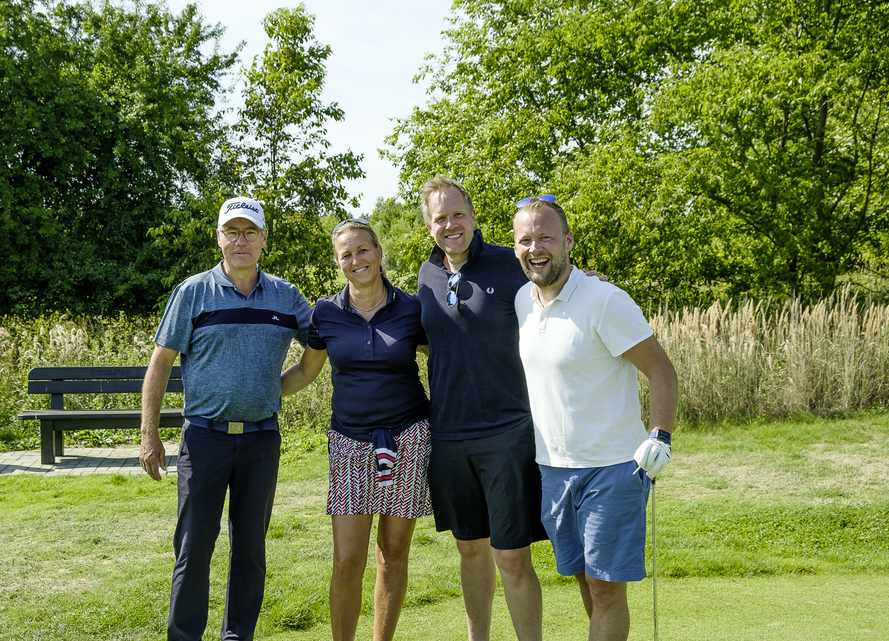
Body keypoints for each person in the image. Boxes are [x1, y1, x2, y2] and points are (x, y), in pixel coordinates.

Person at [139, 196, 312, 641]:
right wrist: (149, 435)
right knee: (194, 546)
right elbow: (160, 362)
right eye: (232, 232)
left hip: (261, 440)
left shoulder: (286, 296)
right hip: (204, 439)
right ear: (218, 238)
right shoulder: (193, 292)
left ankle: (238, 636)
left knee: (250, 548)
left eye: (250, 232)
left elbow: (322, 344)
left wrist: (273, 389)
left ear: (264, 239)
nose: (241, 241)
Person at [512, 196, 678, 641]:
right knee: (586, 581)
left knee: (606, 591)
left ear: (568, 241)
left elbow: (661, 371)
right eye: (525, 240)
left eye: (545, 237)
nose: (535, 248)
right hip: (553, 469)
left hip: (613, 467)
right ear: (515, 248)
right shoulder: (523, 301)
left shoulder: (605, 300)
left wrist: (660, 435)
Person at [280, 218, 432, 641]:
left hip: (408, 438)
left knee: (393, 555)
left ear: (379, 252)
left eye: (363, 250)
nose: (356, 259)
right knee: (347, 561)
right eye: (346, 254)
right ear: (338, 262)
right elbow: (306, 371)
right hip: (349, 442)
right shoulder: (326, 312)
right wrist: (256, 394)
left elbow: (445, 356)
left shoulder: (412, 308)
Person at [417, 177, 545, 641]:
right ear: (429, 226)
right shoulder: (426, 276)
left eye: (458, 214)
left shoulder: (510, 263)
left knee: (511, 554)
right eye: (440, 218)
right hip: (448, 436)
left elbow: (557, 282)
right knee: (470, 549)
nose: (450, 224)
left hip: (508, 433)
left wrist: (587, 279)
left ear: (473, 217)